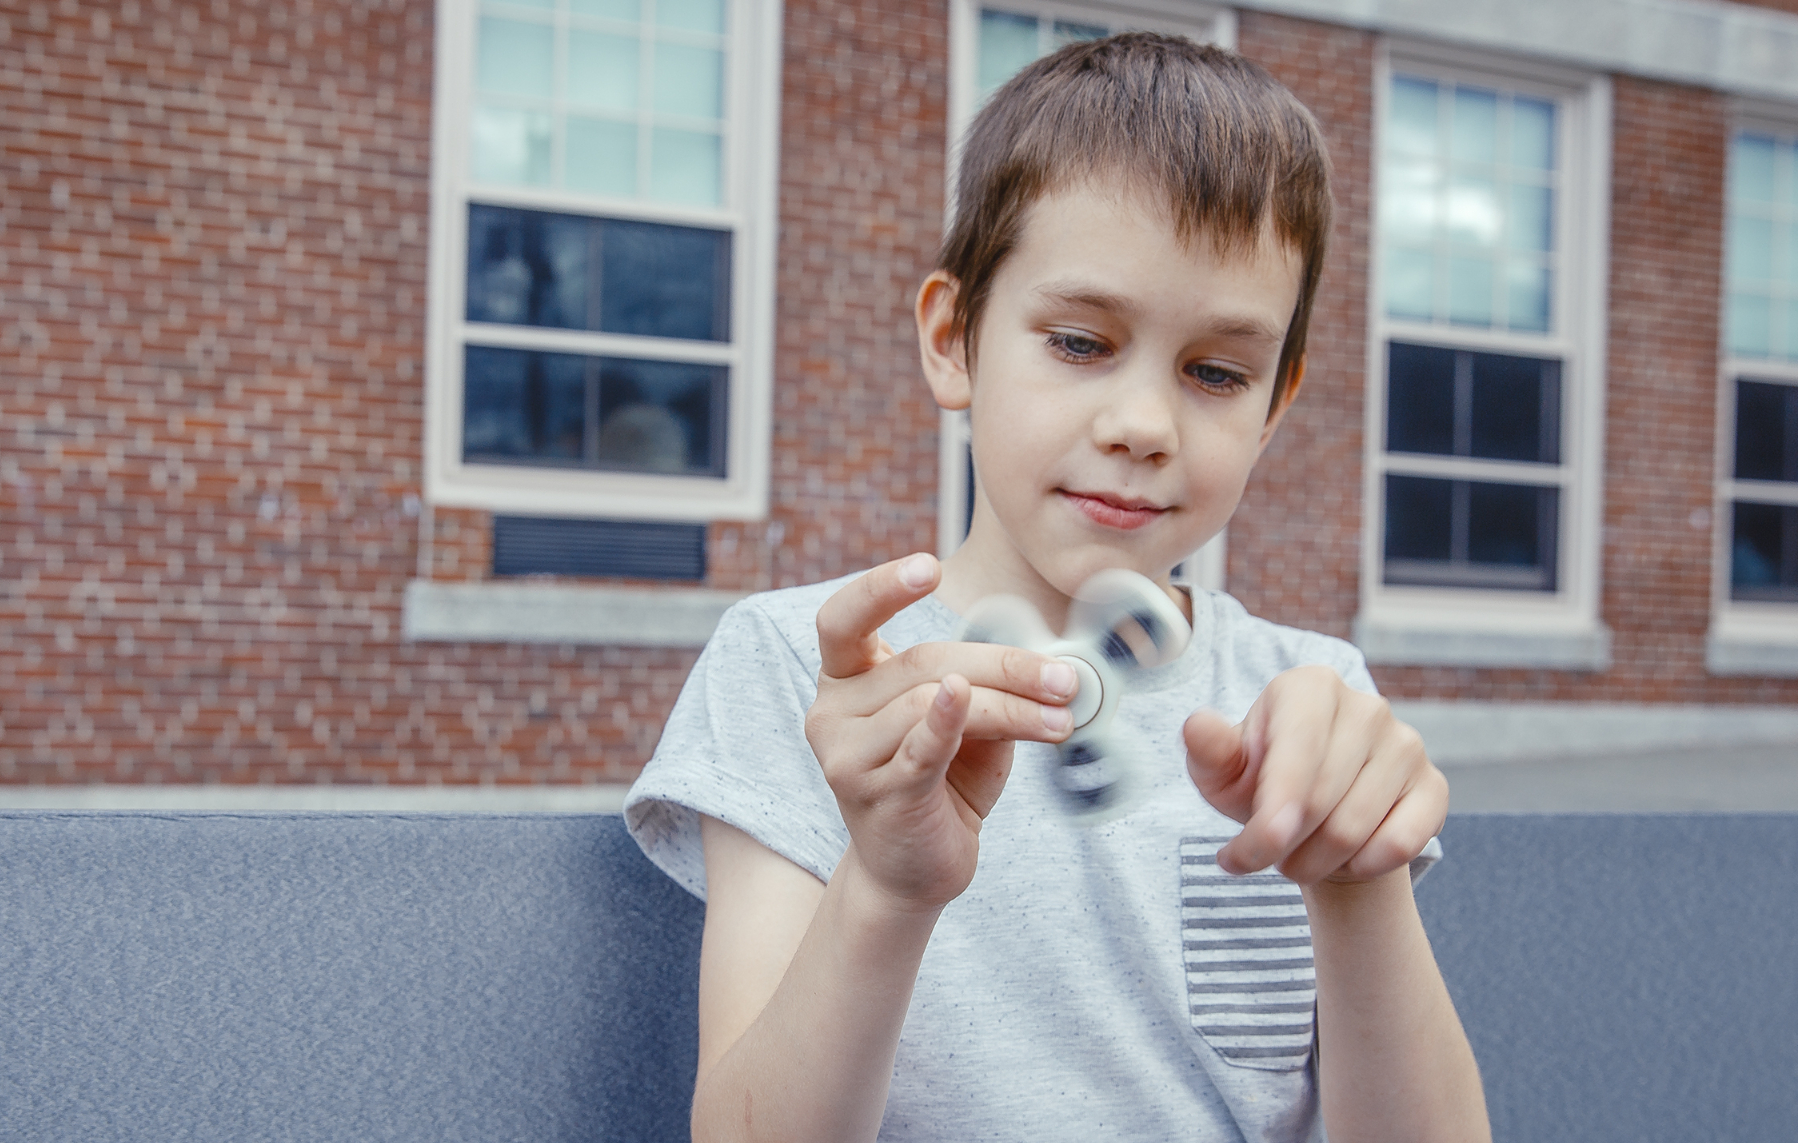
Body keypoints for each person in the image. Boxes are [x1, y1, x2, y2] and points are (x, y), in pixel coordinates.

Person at [623, 31, 1491, 1143]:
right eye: (1081, 342)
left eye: (1216, 373)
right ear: (953, 340)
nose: (1140, 427)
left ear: (1272, 404)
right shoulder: (806, 670)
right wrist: (885, 888)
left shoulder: (1309, 696)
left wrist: (1354, 877)